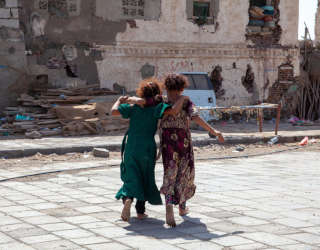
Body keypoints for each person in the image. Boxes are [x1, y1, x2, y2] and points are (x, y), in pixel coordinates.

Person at [111, 79, 188, 222]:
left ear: (141, 93)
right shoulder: (157, 107)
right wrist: (182, 98)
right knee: (145, 177)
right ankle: (140, 212)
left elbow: (113, 111)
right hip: (147, 147)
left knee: (131, 176)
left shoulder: (133, 107)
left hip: (132, 146)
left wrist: (119, 100)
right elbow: (174, 110)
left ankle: (128, 199)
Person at [159, 74, 225, 227]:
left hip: (167, 142)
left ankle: (169, 204)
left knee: (170, 173)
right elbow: (196, 117)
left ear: (167, 87)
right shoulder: (186, 101)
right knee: (185, 173)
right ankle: (182, 208)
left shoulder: (161, 101)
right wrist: (214, 131)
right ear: (182, 87)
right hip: (183, 142)